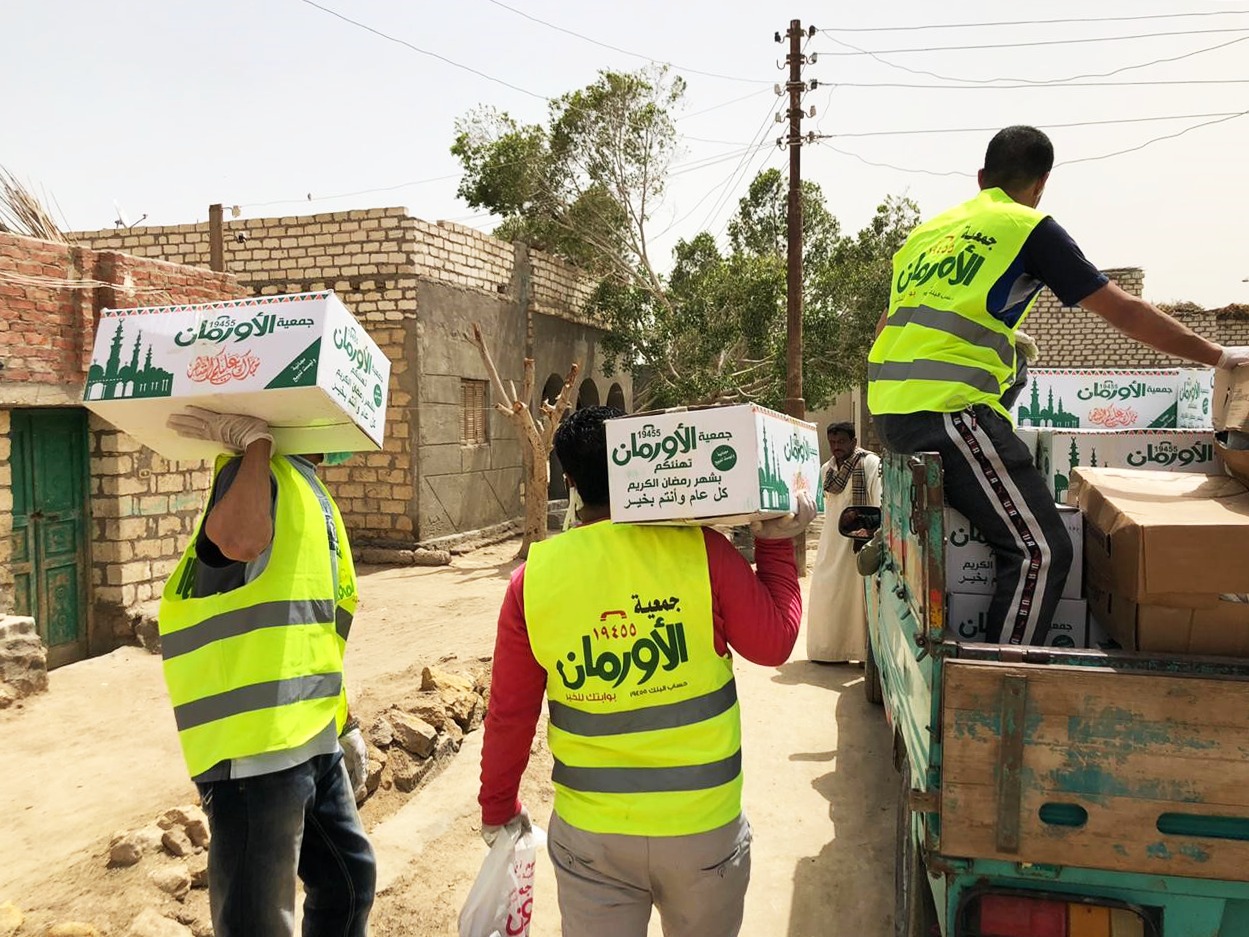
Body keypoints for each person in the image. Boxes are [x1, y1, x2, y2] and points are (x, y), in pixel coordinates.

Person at [867, 124, 1249, 646]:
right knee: (1041, 552)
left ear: (980, 177)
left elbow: (888, 328)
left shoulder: (925, 236)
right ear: (1041, 184)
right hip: (950, 413)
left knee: (1016, 364)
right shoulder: (1027, 227)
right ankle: (1003, 683)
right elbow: (1123, 310)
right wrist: (1220, 355)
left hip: (893, 413)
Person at [477, 405, 816, 937]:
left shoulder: (532, 580)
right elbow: (774, 642)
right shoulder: (701, 550)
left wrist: (498, 806)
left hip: (593, 837)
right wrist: (774, 543)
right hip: (703, 830)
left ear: (570, 482)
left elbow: (509, 715)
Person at [159, 406, 375, 937]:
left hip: (311, 737)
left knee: (349, 882)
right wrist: (255, 444)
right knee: (257, 921)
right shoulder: (254, 472)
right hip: (254, 752)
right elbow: (238, 540)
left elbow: (313, 630)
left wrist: (344, 722)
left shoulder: (308, 485)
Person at [806, 422, 881, 663]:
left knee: (859, 600)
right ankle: (828, 652)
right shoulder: (827, 470)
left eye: (841, 442)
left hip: (858, 543)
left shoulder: (869, 464)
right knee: (827, 592)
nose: (836, 447)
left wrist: (868, 529)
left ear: (854, 441)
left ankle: (860, 654)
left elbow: (879, 502)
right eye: (832, 442)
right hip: (830, 542)